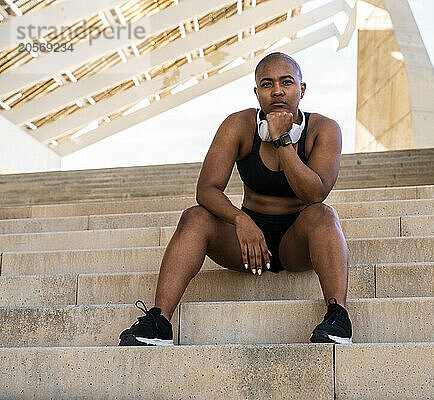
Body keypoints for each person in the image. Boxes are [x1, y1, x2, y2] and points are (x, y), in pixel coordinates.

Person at [118, 52, 352, 346]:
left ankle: (337, 318)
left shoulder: (324, 129)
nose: (277, 91)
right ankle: (159, 323)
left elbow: (315, 193)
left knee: (324, 214)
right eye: (267, 84)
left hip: (298, 242)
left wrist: (282, 140)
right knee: (195, 216)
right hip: (246, 243)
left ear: (301, 90)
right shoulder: (238, 125)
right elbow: (206, 189)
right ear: (257, 93)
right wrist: (241, 219)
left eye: (287, 82)